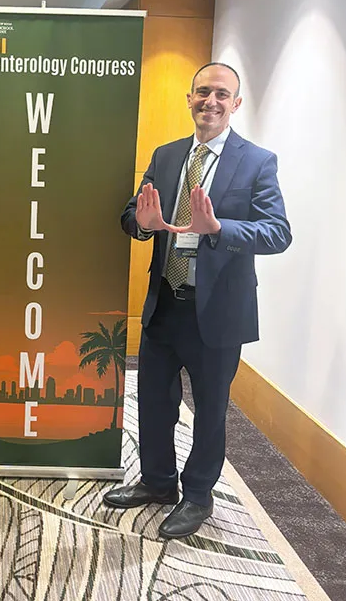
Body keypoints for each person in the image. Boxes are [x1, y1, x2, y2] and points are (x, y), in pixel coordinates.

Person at [103, 62, 292, 538]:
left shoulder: (257, 161)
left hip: (219, 314)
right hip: (165, 302)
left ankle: (198, 494)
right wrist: (142, 224)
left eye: (222, 95)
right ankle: (159, 481)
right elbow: (132, 214)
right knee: (154, 401)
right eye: (203, 92)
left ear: (236, 103)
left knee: (210, 409)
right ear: (189, 99)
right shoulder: (167, 156)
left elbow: (277, 232)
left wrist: (220, 229)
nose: (211, 101)